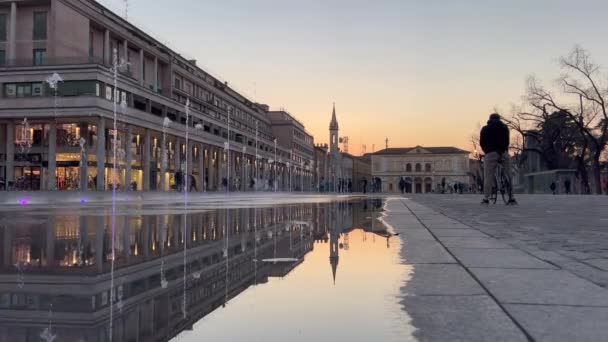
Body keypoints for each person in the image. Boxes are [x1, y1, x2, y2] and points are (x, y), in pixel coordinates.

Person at [480, 113, 517, 205]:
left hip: (490, 153)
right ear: (499, 119)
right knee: (509, 175)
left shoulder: (485, 129)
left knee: (488, 177)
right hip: (503, 153)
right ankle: (512, 197)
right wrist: (502, 151)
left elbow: (482, 143)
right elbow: (507, 141)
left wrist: (487, 151)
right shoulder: (504, 128)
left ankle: (486, 198)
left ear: (489, 119)